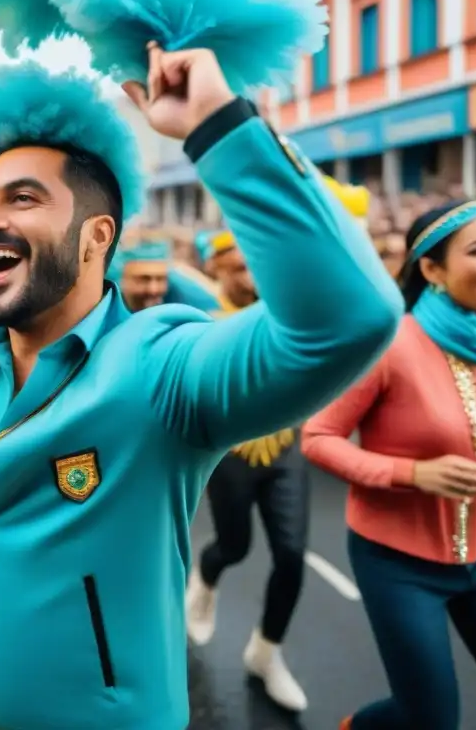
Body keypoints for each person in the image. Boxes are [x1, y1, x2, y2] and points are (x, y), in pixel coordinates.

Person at [0, 42, 401, 729]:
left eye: (24, 199)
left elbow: (350, 318)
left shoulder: (161, 370)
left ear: (95, 235)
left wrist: (220, 126)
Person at [302, 200, 476, 730]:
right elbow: (318, 437)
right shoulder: (391, 345)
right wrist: (411, 474)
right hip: (399, 566)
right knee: (430, 719)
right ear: (431, 269)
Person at [183, 227, 310, 712]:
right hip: (230, 455)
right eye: (239, 267)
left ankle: (266, 652)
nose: (250, 276)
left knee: (292, 557)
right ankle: (206, 578)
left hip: (283, 451)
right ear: (217, 268)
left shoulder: (283, 306)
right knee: (234, 547)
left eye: (255, 265)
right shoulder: (201, 315)